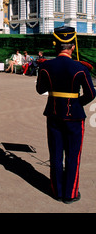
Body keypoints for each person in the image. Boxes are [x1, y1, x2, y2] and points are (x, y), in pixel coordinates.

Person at [36, 26, 96, 203]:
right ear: (72, 47)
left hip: (53, 113)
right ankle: (70, 194)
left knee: (55, 154)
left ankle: (56, 190)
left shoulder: (46, 66)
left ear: (56, 45)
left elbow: (40, 90)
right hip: (75, 116)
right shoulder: (80, 67)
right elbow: (91, 93)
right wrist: (77, 103)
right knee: (73, 155)